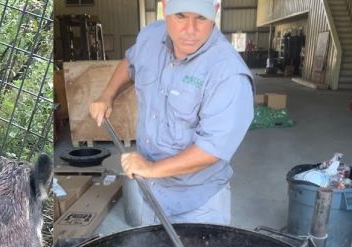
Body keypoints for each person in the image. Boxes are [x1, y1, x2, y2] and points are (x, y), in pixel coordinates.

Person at [89, 0, 253, 225]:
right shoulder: (151, 37)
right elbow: (131, 62)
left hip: (198, 204)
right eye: (181, 16)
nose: (190, 30)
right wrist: (107, 95)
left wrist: (151, 168)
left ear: (215, 12)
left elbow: (212, 149)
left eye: (201, 17)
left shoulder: (228, 73)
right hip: (152, 194)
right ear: (165, 8)